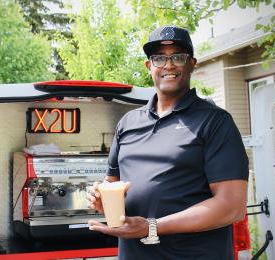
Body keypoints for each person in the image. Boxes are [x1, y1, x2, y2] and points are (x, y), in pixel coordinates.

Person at [87, 26, 248, 260]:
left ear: (192, 63)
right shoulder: (128, 123)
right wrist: (101, 200)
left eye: (178, 57)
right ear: (149, 66)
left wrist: (151, 226)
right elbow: (112, 186)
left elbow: (232, 206)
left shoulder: (215, 122)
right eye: (159, 58)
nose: (169, 65)